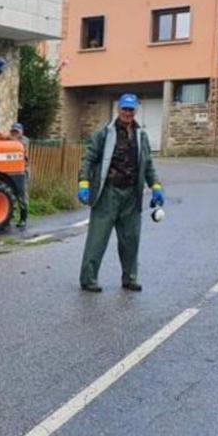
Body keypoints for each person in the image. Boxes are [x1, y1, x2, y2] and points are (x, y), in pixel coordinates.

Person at [77, 93, 164, 293]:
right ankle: (88, 279)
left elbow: (147, 164)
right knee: (97, 239)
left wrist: (156, 187)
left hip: (131, 195)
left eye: (131, 109)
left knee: (131, 240)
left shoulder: (141, 135)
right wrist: (83, 182)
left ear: (136, 111)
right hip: (108, 193)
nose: (127, 112)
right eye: (124, 108)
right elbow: (88, 158)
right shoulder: (104, 133)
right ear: (118, 109)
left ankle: (130, 278)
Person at [10, 123, 30, 229]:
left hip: (22, 170)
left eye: (16, 132)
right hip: (11, 170)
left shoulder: (24, 141)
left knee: (22, 194)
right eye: (13, 131)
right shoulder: (10, 141)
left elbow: (20, 147)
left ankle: (23, 218)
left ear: (21, 132)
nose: (14, 133)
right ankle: (10, 215)